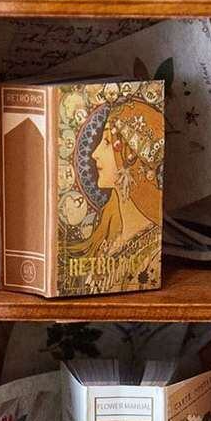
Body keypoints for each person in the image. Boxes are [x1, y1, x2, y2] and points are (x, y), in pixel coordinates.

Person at [69, 92, 164, 294]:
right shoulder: (109, 238)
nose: (94, 154)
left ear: (129, 155)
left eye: (106, 142)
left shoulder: (153, 250)